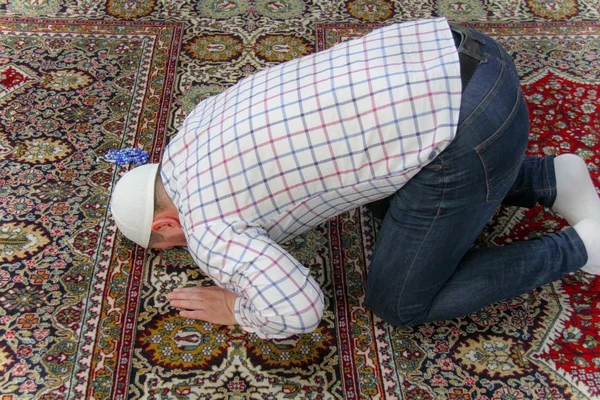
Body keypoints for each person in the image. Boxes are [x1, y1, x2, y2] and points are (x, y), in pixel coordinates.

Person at [110, 18, 600, 339]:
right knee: (382, 200)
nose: (181, 247)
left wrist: (236, 309)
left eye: (168, 247)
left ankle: (580, 247)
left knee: (398, 302)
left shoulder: (207, 227)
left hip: (476, 129)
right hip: (461, 48)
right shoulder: (195, 125)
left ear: (163, 226)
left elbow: (299, 310)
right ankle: (549, 179)